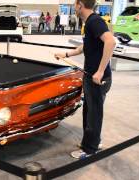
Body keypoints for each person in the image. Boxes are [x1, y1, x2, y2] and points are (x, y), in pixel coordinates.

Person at [54, 0, 116, 159]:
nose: (74, 8)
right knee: (91, 111)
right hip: (91, 77)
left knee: (93, 114)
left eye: (74, 4)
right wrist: (66, 54)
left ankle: (89, 150)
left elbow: (111, 41)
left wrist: (100, 71)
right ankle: (95, 142)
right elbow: (85, 46)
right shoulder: (90, 22)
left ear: (79, 5)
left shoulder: (94, 21)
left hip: (97, 79)